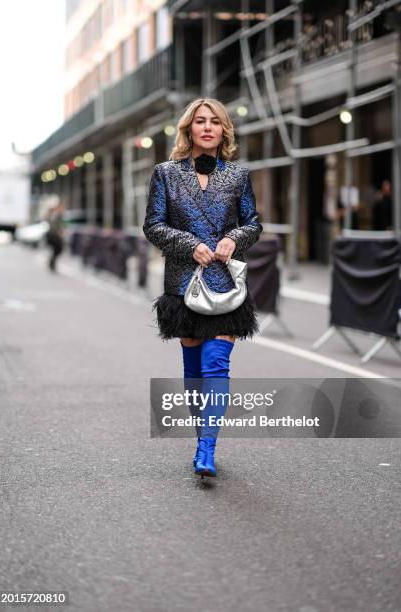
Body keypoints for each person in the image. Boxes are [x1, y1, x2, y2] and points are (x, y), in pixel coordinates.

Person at [143, 98, 263, 478]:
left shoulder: (238, 176)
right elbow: (153, 225)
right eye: (200, 121)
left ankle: (206, 447)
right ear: (189, 129)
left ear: (224, 130)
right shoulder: (165, 174)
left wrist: (234, 238)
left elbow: (254, 223)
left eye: (215, 122)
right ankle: (201, 437)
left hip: (225, 283)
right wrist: (188, 245)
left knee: (216, 364)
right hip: (183, 284)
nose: (208, 127)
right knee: (193, 369)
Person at [46, 202, 65, 272]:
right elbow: (54, 226)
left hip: (55, 236)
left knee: (57, 250)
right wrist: (58, 232)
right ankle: (52, 264)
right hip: (54, 236)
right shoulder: (56, 216)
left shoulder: (59, 216)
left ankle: (52, 263)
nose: (62, 209)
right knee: (58, 249)